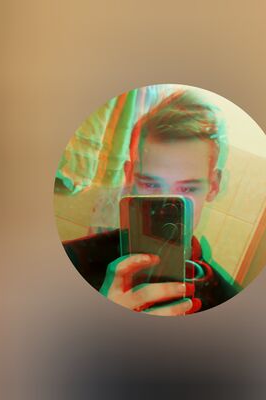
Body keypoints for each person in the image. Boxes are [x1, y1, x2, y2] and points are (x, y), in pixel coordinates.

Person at [63, 89, 240, 315]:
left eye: (186, 189)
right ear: (129, 177)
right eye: (151, 184)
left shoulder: (228, 301)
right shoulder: (71, 261)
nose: (165, 208)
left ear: (213, 186)